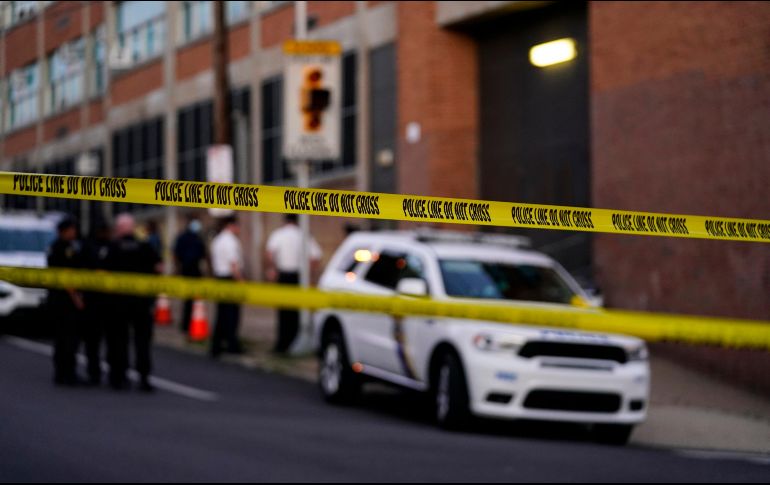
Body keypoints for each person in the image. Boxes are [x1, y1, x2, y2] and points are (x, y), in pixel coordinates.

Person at [105, 213, 161, 391]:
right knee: (142, 342)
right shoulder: (145, 246)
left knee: (118, 341)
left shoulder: (113, 248)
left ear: (119, 228)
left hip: (118, 304)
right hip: (142, 303)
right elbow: (158, 268)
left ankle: (119, 377)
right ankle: (144, 378)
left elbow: (103, 275)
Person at [265, 214, 322, 354]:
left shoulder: (278, 234)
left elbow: (269, 253)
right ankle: (293, 343)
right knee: (296, 311)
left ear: (285, 221)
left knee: (283, 311)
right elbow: (316, 256)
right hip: (298, 277)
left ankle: (282, 344)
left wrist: (272, 269)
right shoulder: (303, 235)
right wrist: (309, 274)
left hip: (283, 275)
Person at [47, 217, 86, 386]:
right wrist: (76, 298)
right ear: (64, 231)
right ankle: (67, 373)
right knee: (68, 338)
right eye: (72, 229)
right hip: (64, 301)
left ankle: (61, 372)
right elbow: (66, 276)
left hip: (57, 300)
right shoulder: (62, 248)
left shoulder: (57, 247)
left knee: (62, 338)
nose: (74, 232)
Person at [81, 222, 112, 385]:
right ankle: (97, 373)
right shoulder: (90, 247)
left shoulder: (112, 246)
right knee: (96, 341)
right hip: (97, 302)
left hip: (101, 302)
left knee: (104, 341)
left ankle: (102, 373)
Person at [209, 216, 244, 358]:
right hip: (229, 279)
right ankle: (231, 344)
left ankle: (217, 345)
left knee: (221, 313)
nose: (239, 229)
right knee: (232, 314)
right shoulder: (230, 241)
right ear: (232, 225)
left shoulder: (217, 240)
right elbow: (233, 264)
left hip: (219, 278)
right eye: (238, 226)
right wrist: (240, 280)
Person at [173, 216, 207, 334]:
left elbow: (204, 255)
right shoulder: (186, 238)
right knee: (189, 299)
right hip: (188, 270)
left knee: (193, 299)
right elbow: (176, 255)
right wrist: (177, 269)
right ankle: (186, 324)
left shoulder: (197, 238)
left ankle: (188, 323)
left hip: (193, 270)